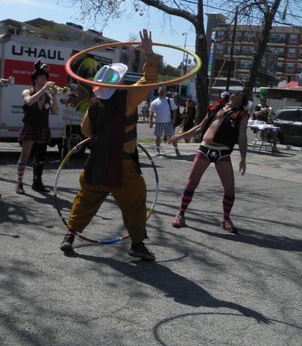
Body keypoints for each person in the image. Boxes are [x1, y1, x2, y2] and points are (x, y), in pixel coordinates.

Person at [60, 29, 157, 261]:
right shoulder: (127, 98)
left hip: (98, 162)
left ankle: (70, 236)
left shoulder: (93, 104)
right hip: (122, 166)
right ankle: (137, 244)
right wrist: (149, 53)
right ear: (118, 81)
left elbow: (85, 131)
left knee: (86, 198)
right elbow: (150, 79)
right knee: (134, 202)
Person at [169, 90, 250, 234]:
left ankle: (226, 219)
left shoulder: (242, 114)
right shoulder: (216, 108)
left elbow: (242, 136)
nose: (235, 94)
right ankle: (180, 215)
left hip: (223, 152)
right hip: (205, 149)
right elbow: (200, 127)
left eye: (239, 94)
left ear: (242, 100)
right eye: (233, 93)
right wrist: (179, 136)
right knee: (191, 182)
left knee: (229, 188)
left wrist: (243, 159)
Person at [16, 60, 58, 194]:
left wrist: (54, 96)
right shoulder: (27, 91)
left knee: (40, 157)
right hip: (30, 126)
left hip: (42, 128)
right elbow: (28, 101)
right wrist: (44, 90)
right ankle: (19, 183)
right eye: (41, 77)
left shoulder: (47, 95)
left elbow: (55, 111)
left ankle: (37, 183)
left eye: (45, 78)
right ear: (34, 79)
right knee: (25, 155)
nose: (43, 80)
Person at [149, 87, 180, 156]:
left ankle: (176, 150)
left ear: (165, 92)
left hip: (168, 122)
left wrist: (174, 120)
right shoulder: (154, 102)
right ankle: (158, 150)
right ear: (158, 92)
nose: (161, 92)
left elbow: (174, 110)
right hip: (158, 122)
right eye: (160, 91)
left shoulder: (169, 100)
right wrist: (150, 122)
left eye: (163, 91)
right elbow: (151, 113)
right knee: (158, 137)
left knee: (172, 136)